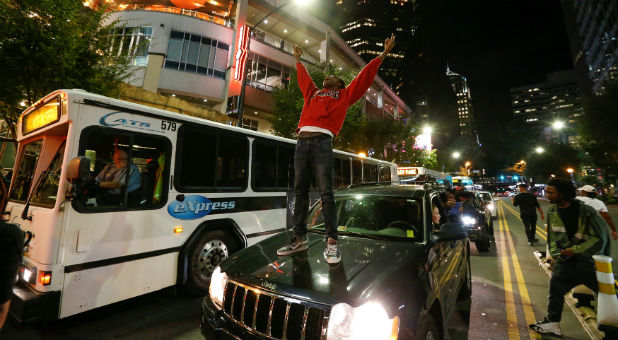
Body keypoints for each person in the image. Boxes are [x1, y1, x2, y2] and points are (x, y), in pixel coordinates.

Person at [277, 34, 396, 264]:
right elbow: (304, 79)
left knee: (326, 193)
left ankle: (332, 243)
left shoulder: (344, 95)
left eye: (331, 76)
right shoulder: (313, 93)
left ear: (340, 84)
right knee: (299, 191)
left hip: (322, 142)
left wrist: (383, 54)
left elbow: (364, 77)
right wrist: (297, 60)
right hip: (302, 142)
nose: (326, 78)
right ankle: (299, 237)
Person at [529, 179, 610, 337]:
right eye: (547, 192)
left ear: (563, 194)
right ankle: (552, 323)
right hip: (566, 262)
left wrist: (575, 250)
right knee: (556, 287)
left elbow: (600, 238)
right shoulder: (552, 210)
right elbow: (553, 237)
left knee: (608, 293)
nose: (547, 195)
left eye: (551, 192)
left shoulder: (586, 211)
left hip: (588, 262)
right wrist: (556, 256)